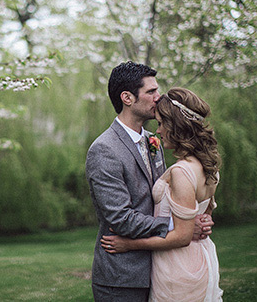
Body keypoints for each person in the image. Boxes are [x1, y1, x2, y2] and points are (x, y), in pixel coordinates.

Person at [85, 62, 213, 302]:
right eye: (151, 92)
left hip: (161, 267)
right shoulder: (104, 149)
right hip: (123, 277)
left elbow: (165, 196)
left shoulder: (154, 140)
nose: (159, 97)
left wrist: (196, 216)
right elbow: (120, 218)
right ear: (127, 98)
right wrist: (179, 227)